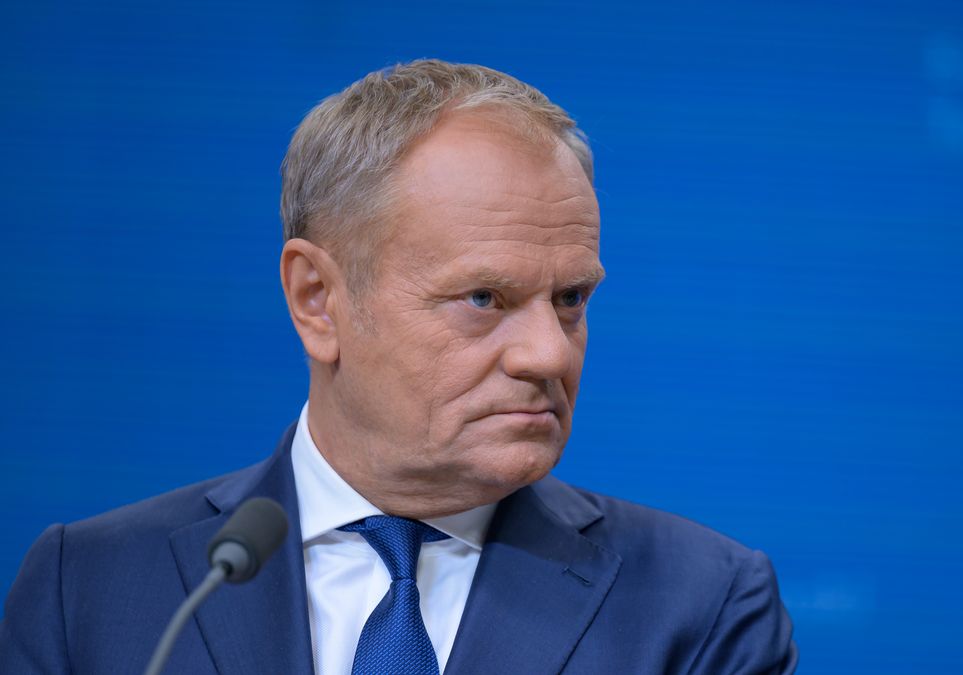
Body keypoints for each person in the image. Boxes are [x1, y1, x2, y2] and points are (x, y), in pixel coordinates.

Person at [0, 60, 797, 674]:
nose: (549, 352)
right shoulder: (92, 585)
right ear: (318, 299)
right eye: (484, 297)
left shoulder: (700, 603)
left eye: (571, 297)